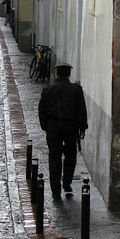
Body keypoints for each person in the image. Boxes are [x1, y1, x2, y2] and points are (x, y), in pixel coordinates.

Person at [38, 62, 88, 200]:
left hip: (53, 126)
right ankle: (67, 182)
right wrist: (82, 128)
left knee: (54, 157)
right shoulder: (76, 90)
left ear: (57, 73)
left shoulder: (48, 89)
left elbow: (41, 110)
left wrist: (45, 126)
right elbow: (81, 110)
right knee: (71, 155)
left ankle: (55, 190)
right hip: (70, 127)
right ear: (69, 74)